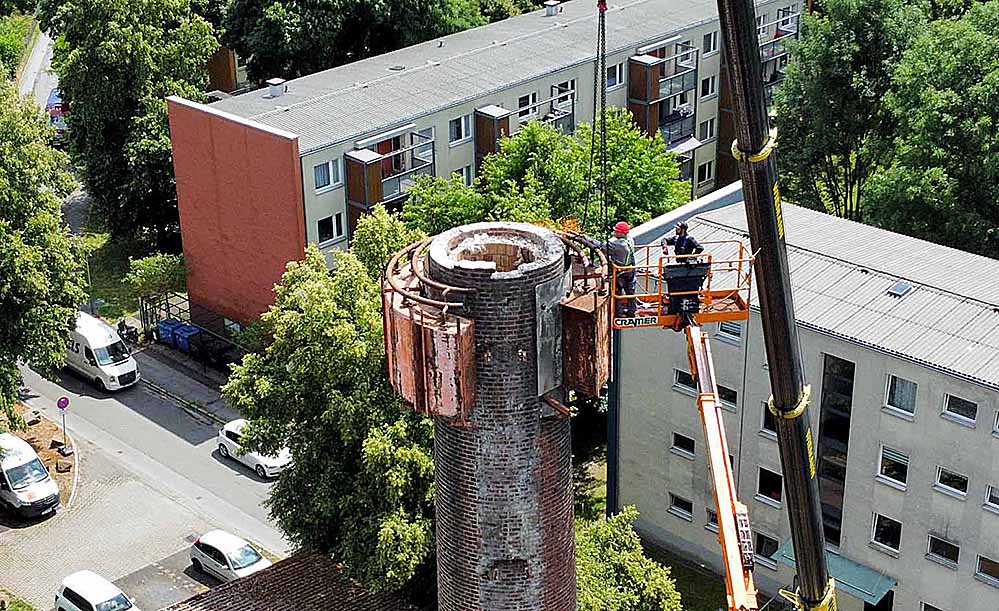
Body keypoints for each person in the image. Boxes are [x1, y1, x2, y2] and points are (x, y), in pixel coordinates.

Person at [575, 221, 638, 317]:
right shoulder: (629, 239)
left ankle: (618, 313)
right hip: (631, 269)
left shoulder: (619, 245)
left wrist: (586, 238)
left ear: (621, 233)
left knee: (617, 291)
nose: (614, 232)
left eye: (616, 231)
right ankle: (632, 311)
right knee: (630, 291)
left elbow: (601, 245)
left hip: (620, 271)